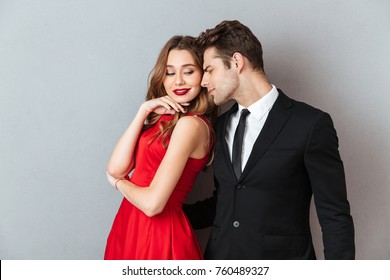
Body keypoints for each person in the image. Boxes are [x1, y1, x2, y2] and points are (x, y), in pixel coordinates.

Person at [183, 20, 355, 260]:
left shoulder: (310, 124)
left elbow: (334, 215)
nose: (203, 81)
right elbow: (225, 201)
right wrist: (165, 214)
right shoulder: (219, 126)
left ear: (236, 62)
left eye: (210, 70)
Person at [104, 35, 217, 260]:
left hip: (159, 233)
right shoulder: (163, 119)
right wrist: (143, 112)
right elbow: (116, 167)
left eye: (188, 71)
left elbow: (152, 205)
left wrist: (117, 183)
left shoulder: (191, 125)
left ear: (202, 75)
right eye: (170, 72)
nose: (179, 81)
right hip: (129, 227)